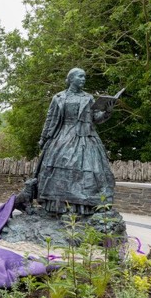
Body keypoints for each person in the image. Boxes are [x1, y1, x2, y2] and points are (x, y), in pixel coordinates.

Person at [36, 67, 115, 215]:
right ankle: (57, 207)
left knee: (90, 171)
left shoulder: (89, 98)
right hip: (62, 136)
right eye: (80, 77)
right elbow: (50, 119)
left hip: (86, 137)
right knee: (59, 169)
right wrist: (43, 139)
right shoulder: (58, 97)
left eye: (84, 77)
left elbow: (96, 118)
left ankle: (86, 206)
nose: (83, 79)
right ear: (71, 79)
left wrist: (107, 112)